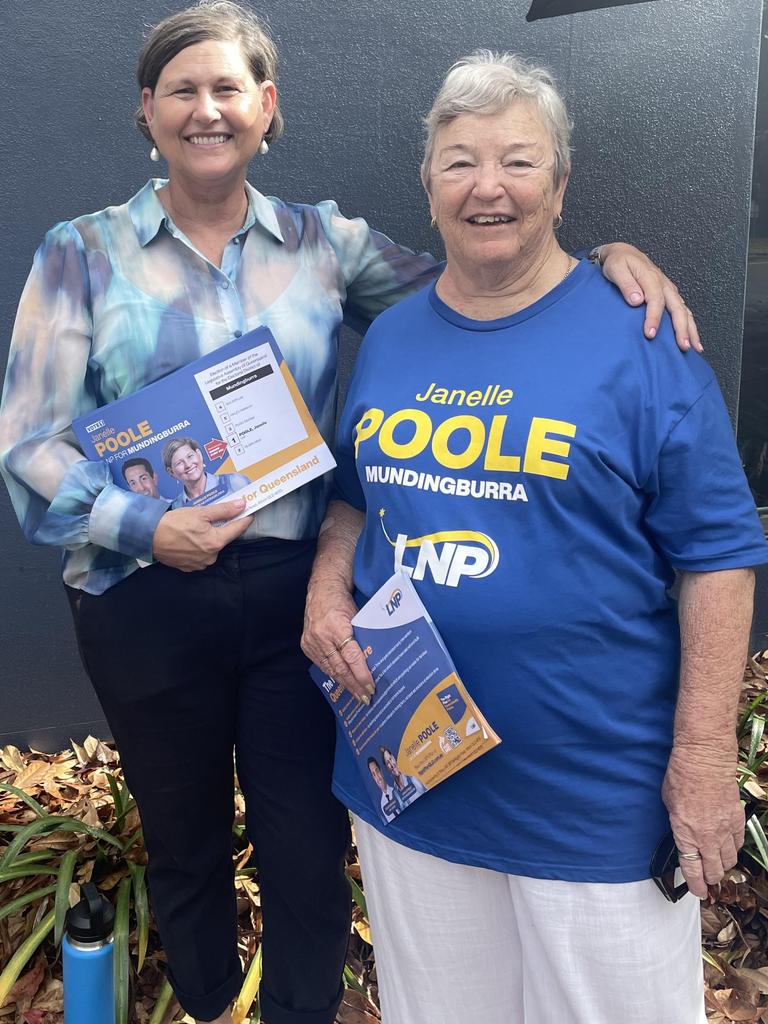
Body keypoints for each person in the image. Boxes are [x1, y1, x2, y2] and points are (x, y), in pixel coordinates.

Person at [0, 1, 701, 1019]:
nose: (208, 109)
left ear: (266, 108)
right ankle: (202, 1001)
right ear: (148, 110)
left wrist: (603, 262)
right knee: (185, 838)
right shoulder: (80, 255)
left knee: (305, 847)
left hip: (300, 598)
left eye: (229, 88)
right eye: (183, 90)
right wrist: (153, 526)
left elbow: (485, 285)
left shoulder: (325, 245)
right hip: (145, 597)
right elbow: (29, 445)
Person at [301, 51, 768, 1024]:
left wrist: (705, 758)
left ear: (560, 185)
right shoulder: (392, 337)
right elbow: (353, 491)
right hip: (413, 769)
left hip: (592, 794)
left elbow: (718, 553)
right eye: (460, 160)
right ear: (427, 185)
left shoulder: (640, 335)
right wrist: (325, 582)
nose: (488, 187)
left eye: (518, 161)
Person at [162, 436, 251, 507]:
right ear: (171, 472)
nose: (188, 465)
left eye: (190, 456)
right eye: (179, 463)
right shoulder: (176, 508)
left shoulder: (234, 481)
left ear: (199, 455)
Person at [380, 745, 426, 809]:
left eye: (390, 759)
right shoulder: (395, 795)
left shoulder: (413, 778)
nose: (391, 764)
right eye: (388, 763)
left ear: (394, 758)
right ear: (386, 768)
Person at [366, 756, 399, 822]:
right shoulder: (382, 805)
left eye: (377, 771)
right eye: (374, 774)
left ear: (381, 771)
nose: (378, 777)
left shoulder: (397, 789)